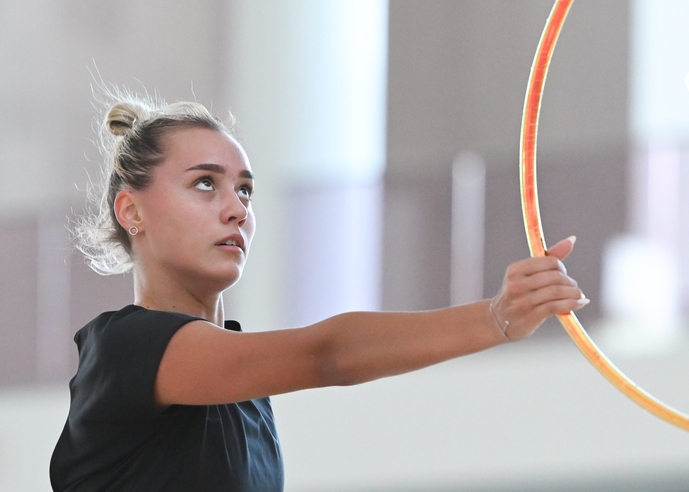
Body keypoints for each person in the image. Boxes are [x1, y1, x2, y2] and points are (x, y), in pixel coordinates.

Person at [49, 92, 588, 492]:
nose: (237, 208)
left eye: (245, 189)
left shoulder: (248, 398)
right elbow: (328, 354)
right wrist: (493, 319)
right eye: (205, 183)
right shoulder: (125, 349)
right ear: (131, 210)